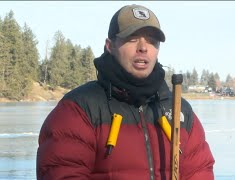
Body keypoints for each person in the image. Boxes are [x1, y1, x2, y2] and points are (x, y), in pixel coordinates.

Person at [36, 4, 215, 180]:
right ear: (110, 45)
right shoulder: (78, 110)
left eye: (152, 41)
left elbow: (200, 173)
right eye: (132, 38)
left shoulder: (180, 113)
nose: (143, 47)